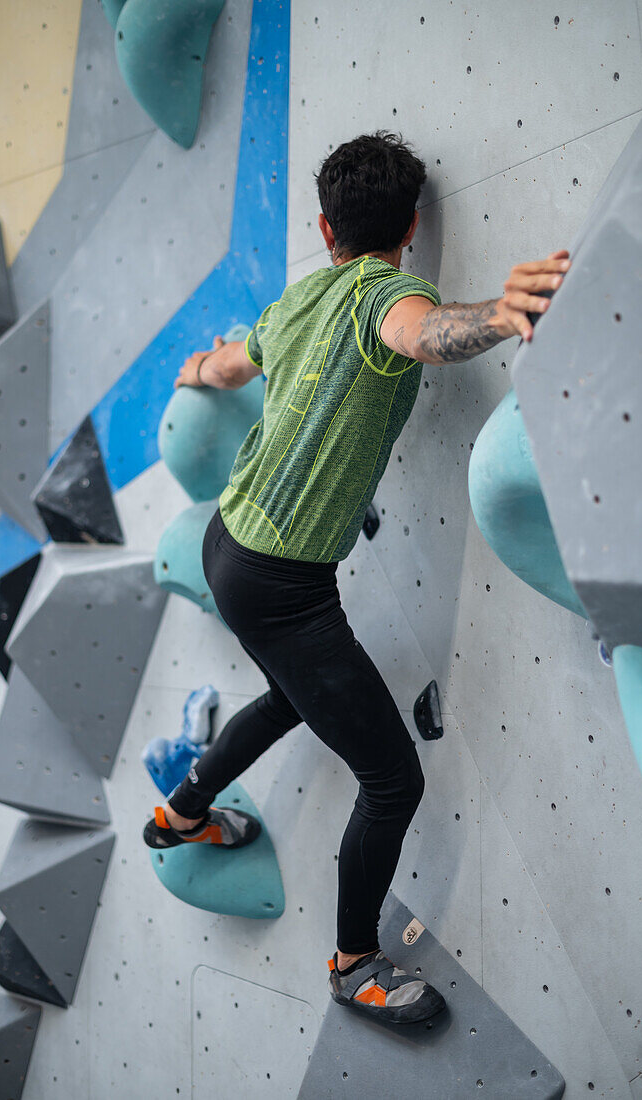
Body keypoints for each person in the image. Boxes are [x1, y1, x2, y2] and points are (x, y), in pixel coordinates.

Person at [143, 131, 570, 1024]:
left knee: (292, 695)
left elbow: (230, 363)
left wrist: (197, 370)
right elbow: (422, 332)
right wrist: (500, 314)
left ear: (326, 230)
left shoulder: (299, 300)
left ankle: (181, 814)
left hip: (230, 543)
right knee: (393, 781)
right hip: (285, 587)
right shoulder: (391, 292)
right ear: (409, 228)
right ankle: (353, 963)